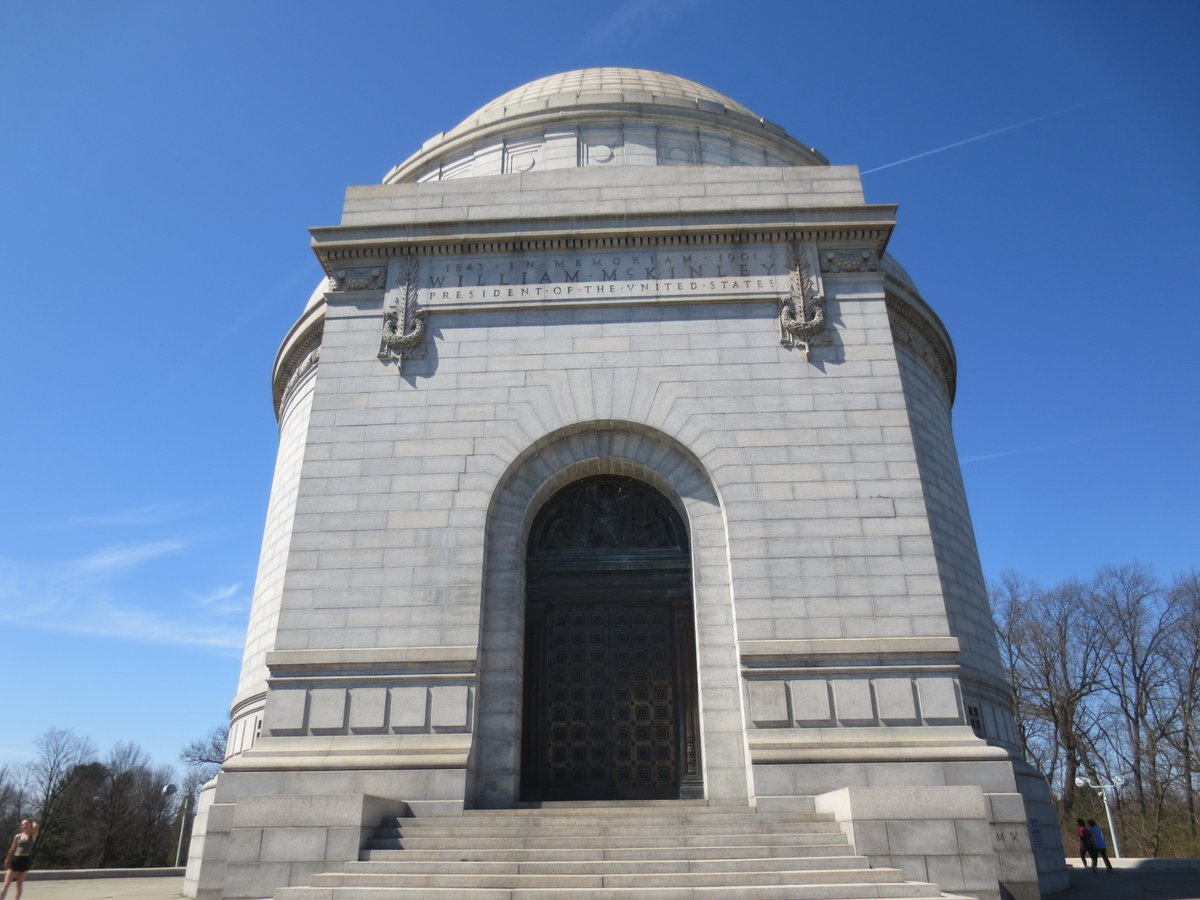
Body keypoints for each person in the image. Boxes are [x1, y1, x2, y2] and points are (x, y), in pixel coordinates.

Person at [0, 818, 39, 900]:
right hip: (15, 859)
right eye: (23, 824)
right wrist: (7, 859)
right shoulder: (18, 836)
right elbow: (12, 849)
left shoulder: (33, 835)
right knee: (6, 883)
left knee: (19, 884)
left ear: (30, 825)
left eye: (26, 824)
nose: (24, 826)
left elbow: (36, 827)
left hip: (25, 860)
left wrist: (33, 822)